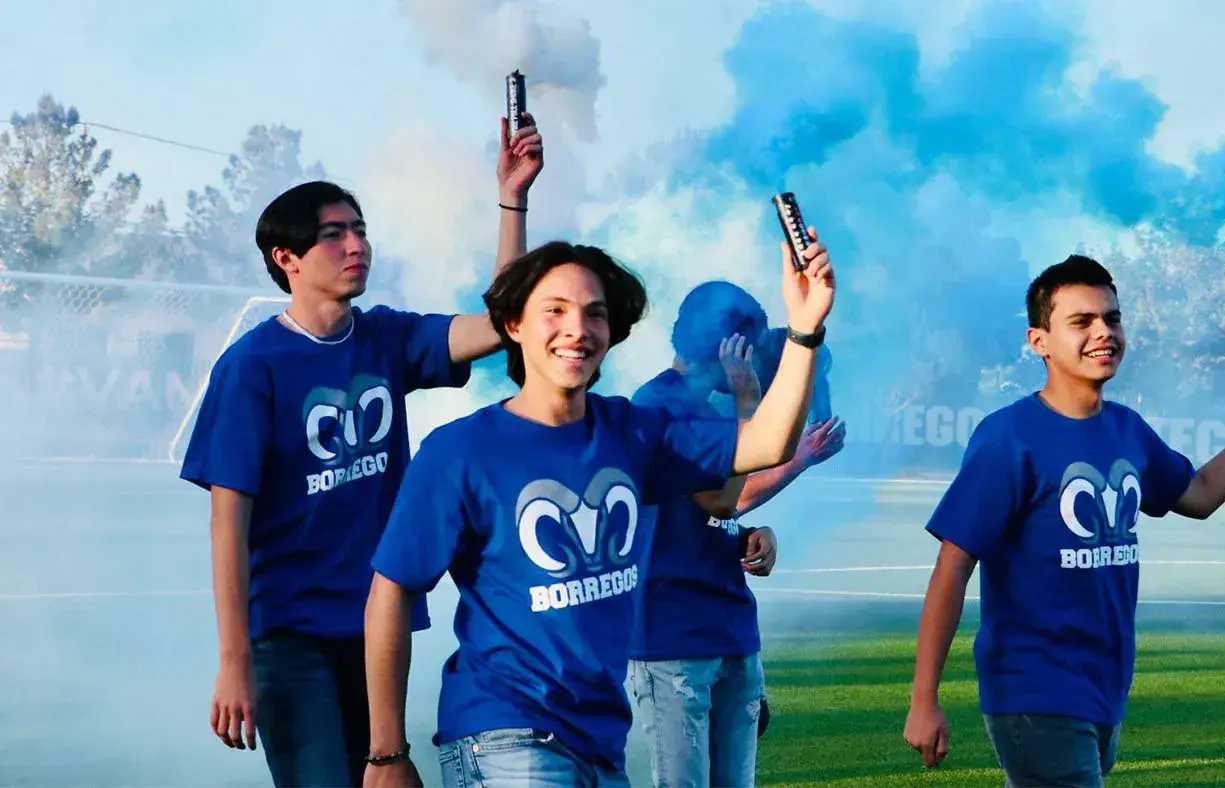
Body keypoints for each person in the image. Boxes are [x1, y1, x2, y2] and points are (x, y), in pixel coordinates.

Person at [361, 233, 837, 788]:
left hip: (601, 743)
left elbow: (767, 443)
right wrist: (386, 753)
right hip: (504, 735)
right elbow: (391, 589)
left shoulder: (631, 432)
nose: (577, 329)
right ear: (513, 325)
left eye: (595, 313)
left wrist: (805, 326)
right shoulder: (459, 451)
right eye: (555, 310)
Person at [177, 113, 544, 787]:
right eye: (333, 234)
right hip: (290, 633)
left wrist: (512, 198)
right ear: (286, 259)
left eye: (360, 229)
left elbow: (503, 324)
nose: (356, 245)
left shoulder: (385, 338)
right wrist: (234, 659)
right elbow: (227, 525)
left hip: (378, 622)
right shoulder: (252, 367)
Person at [902, 254, 1225, 787]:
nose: (1103, 331)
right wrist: (924, 699)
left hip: (1104, 686)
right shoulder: (1009, 437)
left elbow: (1200, 494)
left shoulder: (1128, 429)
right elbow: (952, 568)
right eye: (1081, 321)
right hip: (1035, 689)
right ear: (1039, 342)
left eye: (1112, 318)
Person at [626, 281, 846, 787]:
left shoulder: (706, 408)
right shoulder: (659, 404)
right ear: (731, 349)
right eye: (752, 348)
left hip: (728, 629)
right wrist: (750, 406)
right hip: (673, 638)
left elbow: (717, 512)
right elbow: (718, 498)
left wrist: (749, 534)